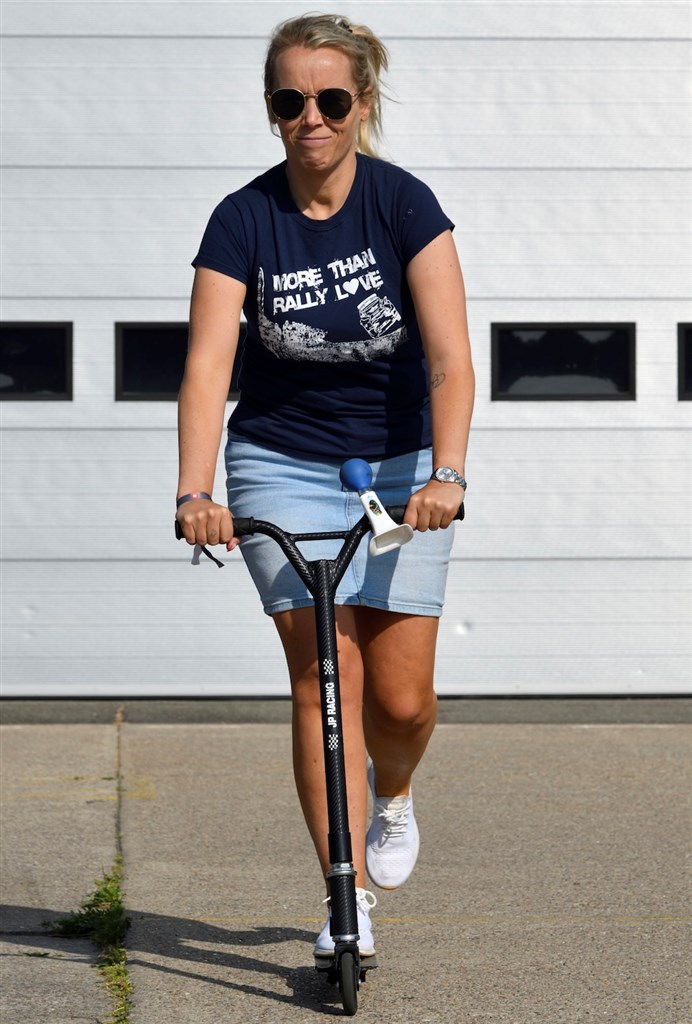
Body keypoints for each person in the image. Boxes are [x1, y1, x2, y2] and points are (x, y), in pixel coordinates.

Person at [175, 12, 474, 960]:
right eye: (290, 100)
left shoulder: (402, 204)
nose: (311, 116)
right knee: (320, 680)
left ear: (362, 107)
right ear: (273, 111)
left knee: (400, 703)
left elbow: (452, 360)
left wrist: (447, 472)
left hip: (397, 469)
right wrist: (195, 491)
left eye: (330, 99)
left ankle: (395, 792)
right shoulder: (241, 219)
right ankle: (344, 902)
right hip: (278, 461)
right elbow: (207, 368)